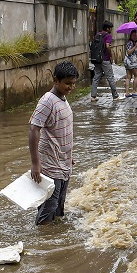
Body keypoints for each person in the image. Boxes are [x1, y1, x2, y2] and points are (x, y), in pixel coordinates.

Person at [29, 61, 78, 225]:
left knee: (58, 209)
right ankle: (43, 242)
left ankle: (54, 242)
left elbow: (62, 130)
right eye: (67, 83)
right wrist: (36, 164)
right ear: (56, 80)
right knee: (48, 209)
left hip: (63, 163)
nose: (71, 87)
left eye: (73, 83)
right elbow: (34, 130)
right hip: (50, 165)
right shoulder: (47, 101)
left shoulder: (62, 99)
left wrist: (68, 155)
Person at [90, 21, 119, 101]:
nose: (111, 30)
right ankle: (115, 96)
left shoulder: (97, 35)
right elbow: (107, 46)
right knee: (110, 77)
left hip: (97, 59)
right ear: (107, 28)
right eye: (110, 28)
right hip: (105, 59)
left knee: (96, 77)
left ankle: (93, 96)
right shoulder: (108, 36)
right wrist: (110, 55)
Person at [124, 30, 137, 98]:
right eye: (133, 35)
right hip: (132, 62)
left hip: (128, 62)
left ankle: (127, 92)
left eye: (136, 35)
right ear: (131, 35)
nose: (135, 37)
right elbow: (129, 52)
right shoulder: (130, 43)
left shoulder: (133, 42)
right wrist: (135, 47)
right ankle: (134, 91)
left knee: (129, 77)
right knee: (136, 76)